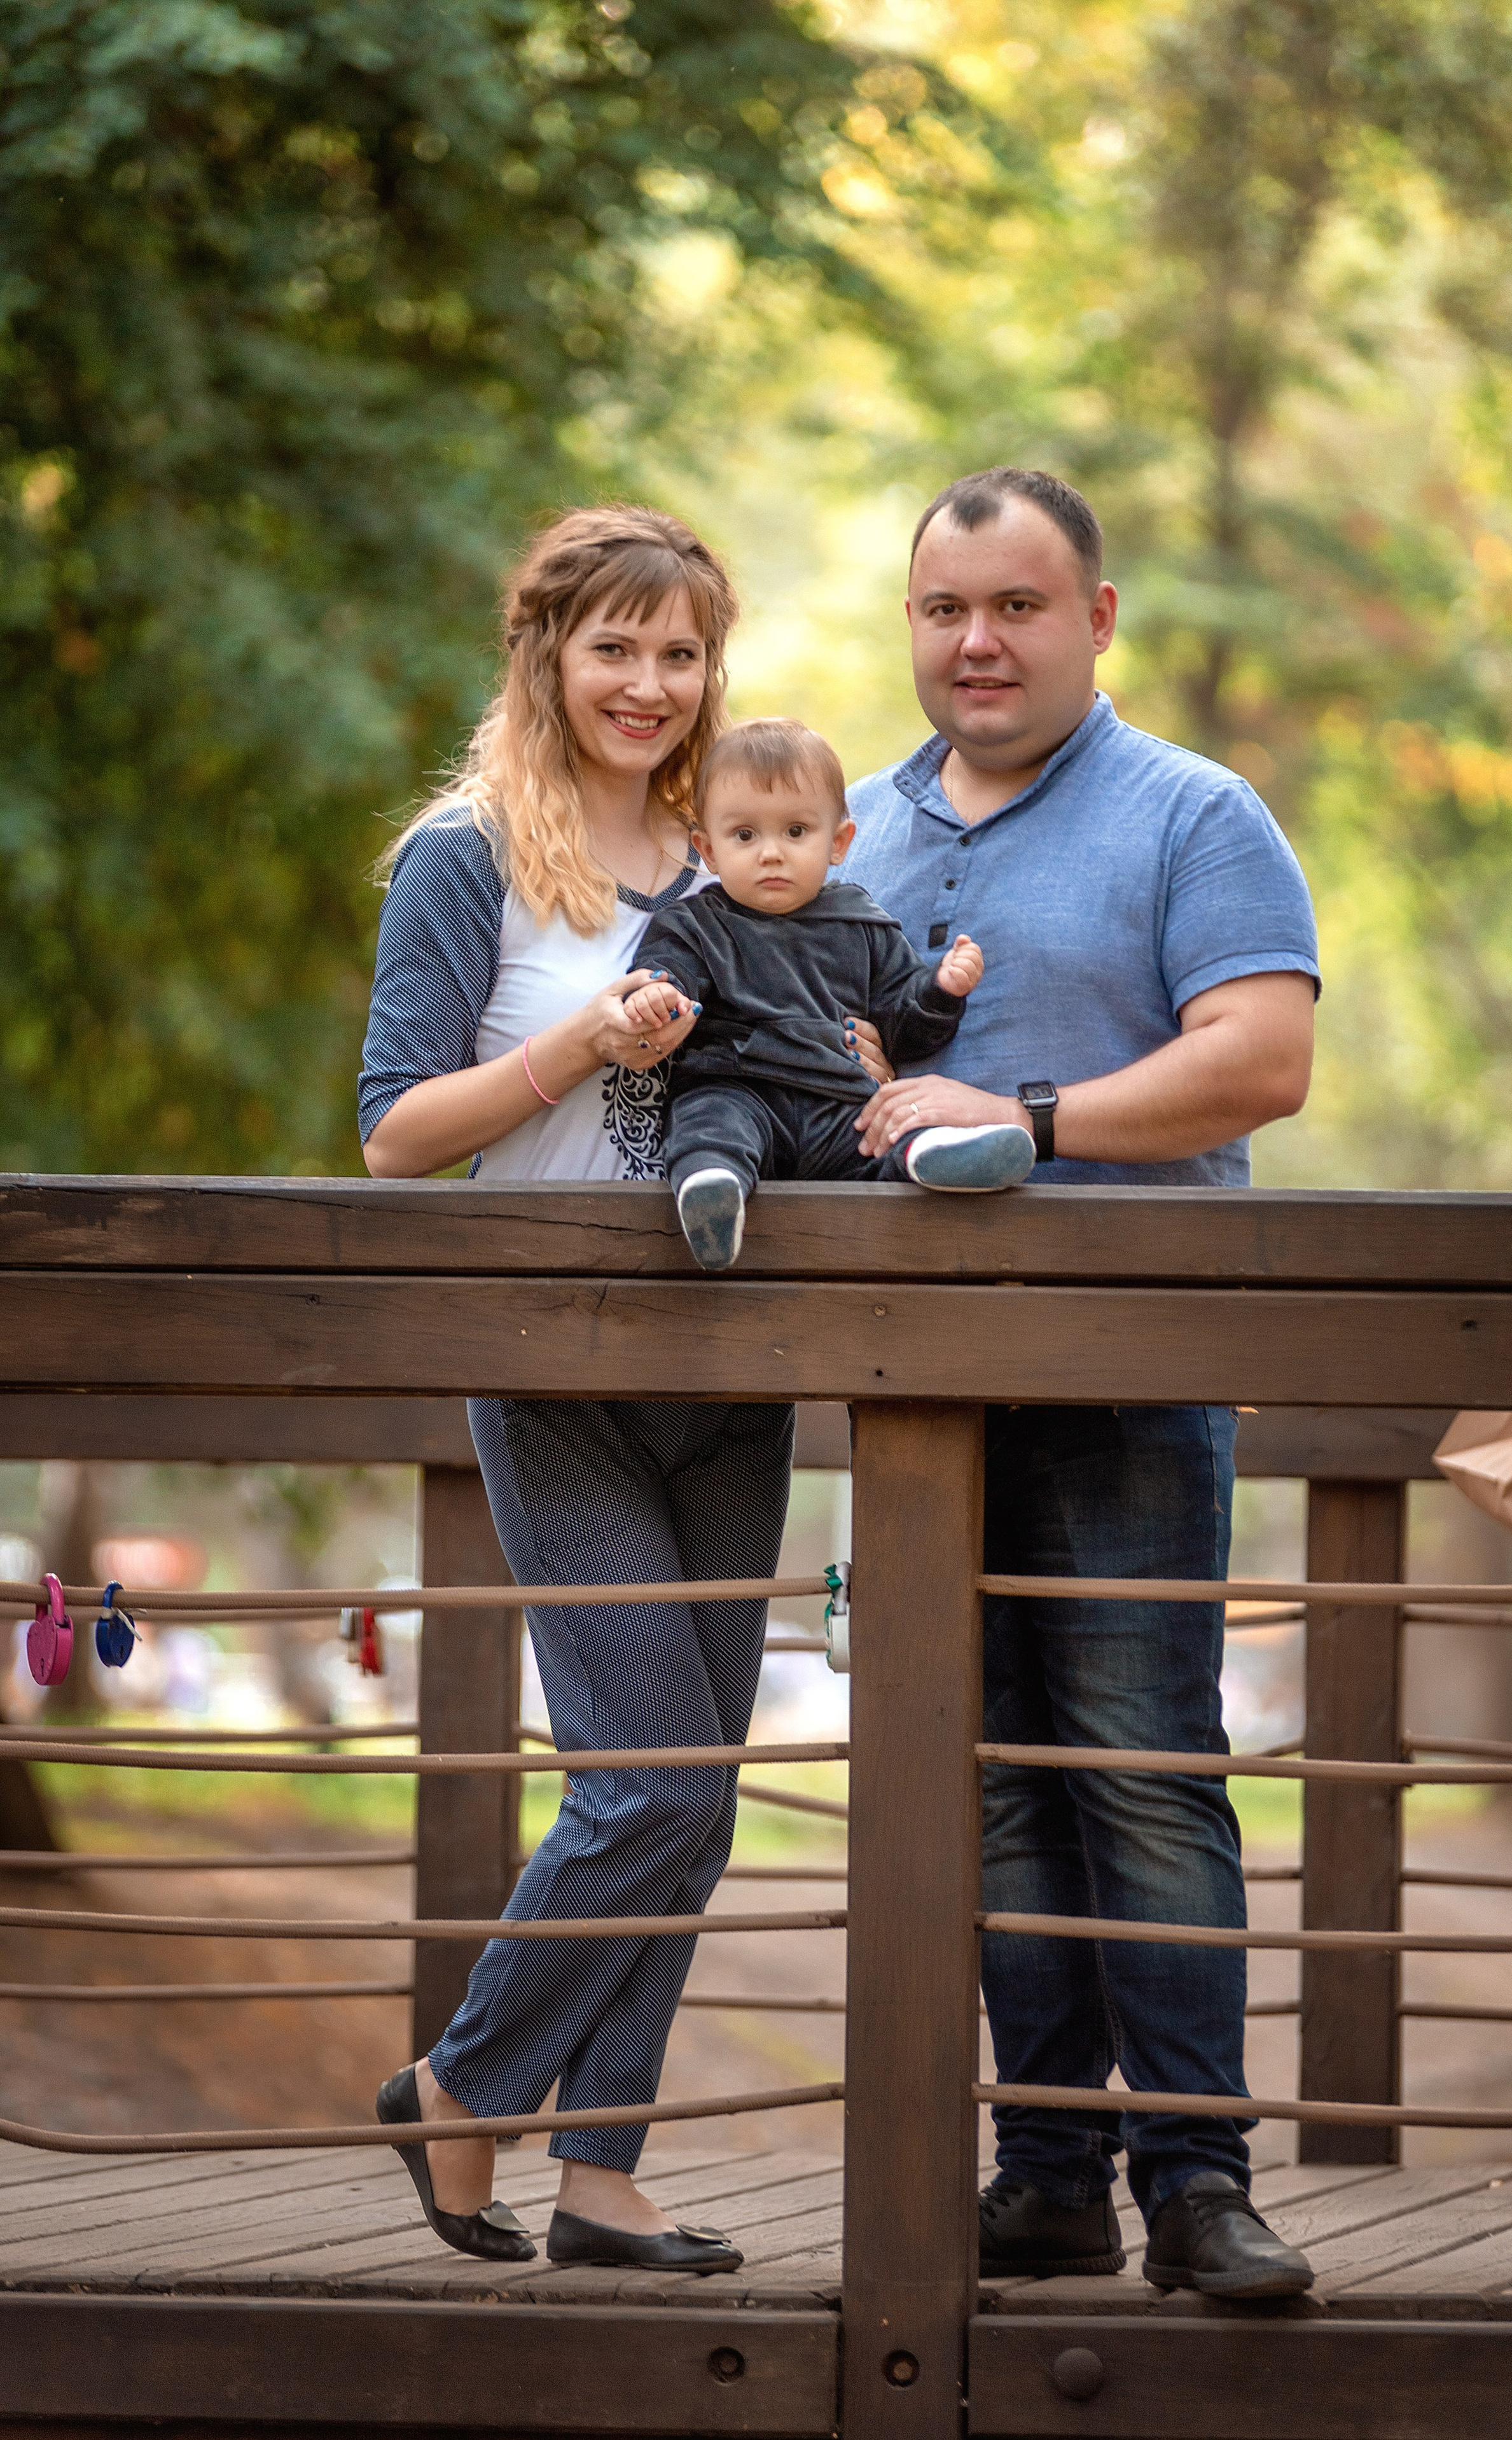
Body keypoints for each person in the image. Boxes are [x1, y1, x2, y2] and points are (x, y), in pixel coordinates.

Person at [355, 506, 887, 2272]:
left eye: (680, 651)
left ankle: (601, 2172)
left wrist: (864, 1054)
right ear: (547, 653)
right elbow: (393, 1134)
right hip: (553, 1359)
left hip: (735, 1371)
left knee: (698, 1790)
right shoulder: (463, 858)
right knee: (644, 1779)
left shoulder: (737, 849)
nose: (649, 683)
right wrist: (580, 1041)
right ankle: (461, 2084)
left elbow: (826, 1059)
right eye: (615, 647)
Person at [842, 466, 1322, 2299]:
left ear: (1095, 618)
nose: (976, 641)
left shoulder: (1194, 811)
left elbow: (1259, 1058)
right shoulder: (845, 831)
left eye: (1016, 605)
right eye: (944, 608)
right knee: (982, 1784)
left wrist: (1020, 1118)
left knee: (1138, 1772)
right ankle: (1047, 2172)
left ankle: (1198, 2181)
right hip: (913, 1396)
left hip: (1128, 1378)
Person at [627, 716, 1034, 1270]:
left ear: (839, 842)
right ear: (709, 849)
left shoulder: (861, 924)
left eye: (796, 831)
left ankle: (933, 1154)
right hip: (739, 1086)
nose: (771, 853)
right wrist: (656, 996)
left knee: (890, 1127)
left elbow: (904, 1026)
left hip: (839, 1104)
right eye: (745, 835)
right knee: (708, 1122)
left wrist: (941, 990)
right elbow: (666, 974)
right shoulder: (695, 925)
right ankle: (712, 1191)